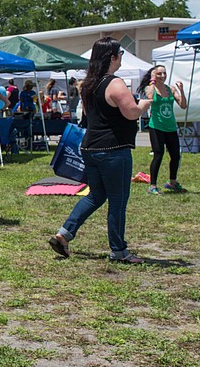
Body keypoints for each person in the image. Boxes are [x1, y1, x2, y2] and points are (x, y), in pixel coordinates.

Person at [48, 38, 152, 264]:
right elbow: (132, 113)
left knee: (96, 194)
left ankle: (64, 234)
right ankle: (119, 250)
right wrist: (146, 102)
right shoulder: (114, 83)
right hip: (113, 149)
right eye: (120, 53)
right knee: (118, 200)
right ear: (112, 57)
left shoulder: (88, 84)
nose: (122, 57)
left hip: (90, 146)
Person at [139, 65, 188, 194]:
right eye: (159, 74)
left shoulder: (170, 89)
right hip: (157, 127)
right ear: (154, 75)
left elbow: (183, 105)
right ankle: (153, 186)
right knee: (158, 154)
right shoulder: (150, 88)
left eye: (164, 73)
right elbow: (149, 97)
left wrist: (181, 91)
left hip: (170, 127)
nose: (163, 76)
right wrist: (153, 81)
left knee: (175, 156)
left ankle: (172, 182)